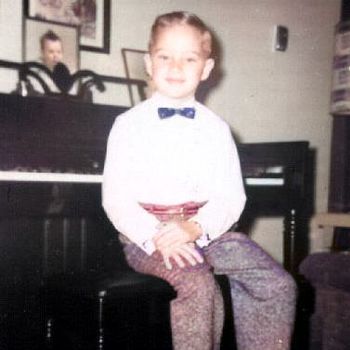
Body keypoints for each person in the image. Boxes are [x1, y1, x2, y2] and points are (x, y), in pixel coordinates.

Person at [102, 11, 296, 350]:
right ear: (149, 63)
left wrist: (195, 229)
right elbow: (116, 198)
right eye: (165, 57)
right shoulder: (127, 124)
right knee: (198, 284)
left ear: (206, 68)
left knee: (277, 283)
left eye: (188, 58)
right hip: (148, 235)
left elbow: (230, 198)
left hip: (206, 232)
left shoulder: (217, 129)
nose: (175, 67)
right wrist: (157, 237)